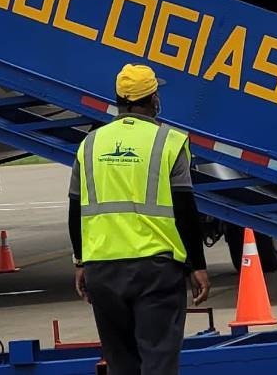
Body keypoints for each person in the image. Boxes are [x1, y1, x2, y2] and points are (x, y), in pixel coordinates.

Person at [68, 63, 209, 375]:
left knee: (121, 364)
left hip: (102, 270)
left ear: (119, 98)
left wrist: (80, 261)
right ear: (154, 99)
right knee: (158, 361)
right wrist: (197, 265)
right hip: (155, 269)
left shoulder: (90, 144)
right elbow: (186, 210)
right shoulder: (168, 142)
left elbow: (75, 209)